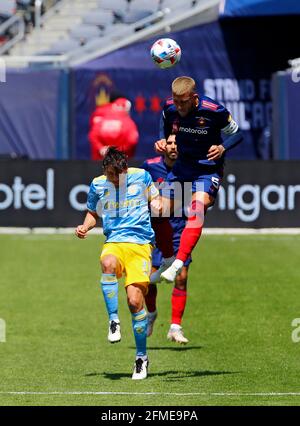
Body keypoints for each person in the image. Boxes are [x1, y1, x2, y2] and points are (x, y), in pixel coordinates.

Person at [75, 147, 161, 380]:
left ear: (125, 169)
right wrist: (85, 226)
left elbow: (156, 199)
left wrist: (158, 205)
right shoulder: (97, 184)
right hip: (114, 242)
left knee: (134, 302)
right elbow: (92, 213)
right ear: (106, 171)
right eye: (113, 175)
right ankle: (113, 320)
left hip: (141, 245)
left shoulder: (141, 176)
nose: (117, 179)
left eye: (120, 174)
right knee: (107, 263)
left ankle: (141, 358)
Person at [153, 76, 243, 283]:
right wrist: (162, 139)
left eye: (183, 102)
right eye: (175, 101)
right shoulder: (170, 107)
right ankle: (167, 260)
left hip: (207, 170)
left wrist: (222, 147)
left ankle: (178, 264)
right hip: (182, 169)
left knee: (197, 208)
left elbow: (238, 134)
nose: (178, 106)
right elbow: (164, 120)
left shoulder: (214, 110)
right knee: (157, 211)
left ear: (194, 97)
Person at [142, 134, 190, 344]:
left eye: (176, 144)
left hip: (179, 229)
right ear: (163, 146)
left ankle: (175, 327)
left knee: (181, 277)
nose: (173, 147)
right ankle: (151, 313)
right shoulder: (150, 167)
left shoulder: (189, 168)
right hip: (155, 230)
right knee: (148, 280)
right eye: (169, 143)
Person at [88, 92, 139, 160]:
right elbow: (132, 140)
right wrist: (116, 151)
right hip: (122, 161)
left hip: (100, 158)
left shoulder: (99, 112)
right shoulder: (128, 121)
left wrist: (101, 148)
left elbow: (93, 134)